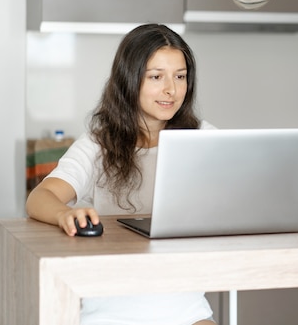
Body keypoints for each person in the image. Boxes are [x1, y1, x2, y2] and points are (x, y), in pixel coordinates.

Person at [26, 23, 217, 325]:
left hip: (185, 305)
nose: (172, 89)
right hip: (110, 308)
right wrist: (65, 214)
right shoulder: (97, 143)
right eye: (156, 77)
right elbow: (40, 198)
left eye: (180, 77)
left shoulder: (205, 137)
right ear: (129, 81)